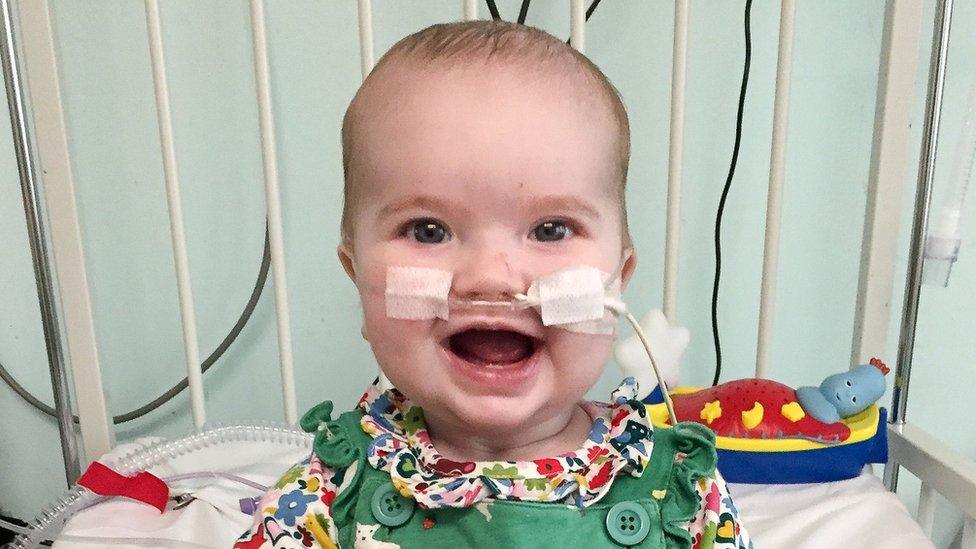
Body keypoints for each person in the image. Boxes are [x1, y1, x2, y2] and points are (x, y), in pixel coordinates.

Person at [235, 19, 751, 549]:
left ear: (615, 283)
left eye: (551, 229)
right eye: (427, 230)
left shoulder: (683, 489)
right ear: (359, 277)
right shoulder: (330, 489)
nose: (490, 277)